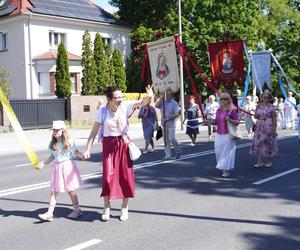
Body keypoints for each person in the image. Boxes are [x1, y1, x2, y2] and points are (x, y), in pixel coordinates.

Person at [83, 85, 153, 221]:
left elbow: (143, 102)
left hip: (123, 144)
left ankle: (125, 207)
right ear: (109, 99)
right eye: (117, 97)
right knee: (108, 178)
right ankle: (106, 207)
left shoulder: (125, 106)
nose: (120, 99)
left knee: (125, 178)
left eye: (122, 96)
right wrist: (87, 149)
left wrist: (149, 95)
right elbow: (93, 132)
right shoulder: (102, 112)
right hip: (109, 146)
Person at [37, 120, 84, 222]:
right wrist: (43, 164)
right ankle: (50, 213)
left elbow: (76, 152)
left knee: (71, 190)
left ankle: (77, 210)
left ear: (63, 130)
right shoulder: (52, 144)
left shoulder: (69, 141)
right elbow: (51, 156)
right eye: (53, 130)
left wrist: (82, 155)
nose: (55, 132)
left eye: (57, 130)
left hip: (67, 167)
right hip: (57, 168)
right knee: (54, 190)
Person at [206, 93, 239, 178]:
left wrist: (230, 120)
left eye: (225, 99)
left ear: (229, 100)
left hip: (228, 134)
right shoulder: (218, 110)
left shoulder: (232, 110)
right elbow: (216, 122)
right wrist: (209, 122)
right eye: (222, 99)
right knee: (218, 151)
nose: (223, 100)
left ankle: (226, 170)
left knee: (226, 152)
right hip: (219, 133)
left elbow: (237, 122)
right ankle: (222, 166)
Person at [250, 92, 278, 167]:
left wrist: (274, 130)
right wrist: (257, 114)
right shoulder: (259, 106)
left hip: (269, 126)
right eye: (264, 97)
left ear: (270, 99)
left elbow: (274, 119)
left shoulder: (272, 107)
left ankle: (268, 161)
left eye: (267, 97)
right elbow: (255, 116)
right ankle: (259, 162)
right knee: (258, 143)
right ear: (261, 98)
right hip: (259, 126)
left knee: (268, 142)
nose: (265, 99)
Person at [155, 88, 181, 160]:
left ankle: (178, 151)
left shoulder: (175, 103)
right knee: (166, 140)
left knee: (171, 139)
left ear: (172, 95)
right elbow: (156, 106)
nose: (168, 95)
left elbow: (176, 114)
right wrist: (161, 98)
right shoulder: (163, 102)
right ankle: (167, 155)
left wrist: (167, 118)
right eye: (167, 94)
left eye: (170, 94)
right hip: (164, 124)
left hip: (171, 124)